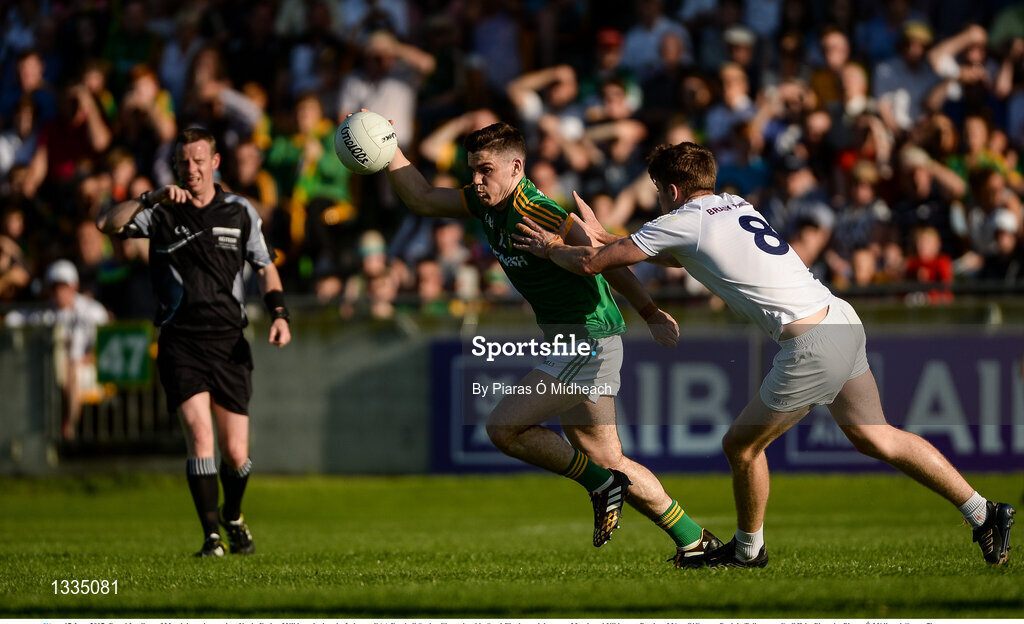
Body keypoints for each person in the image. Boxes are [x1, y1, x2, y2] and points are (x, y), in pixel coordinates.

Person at [512, 141, 1016, 568]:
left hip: (810, 344)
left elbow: (597, 263)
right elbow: (650, 249)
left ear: (671, 191)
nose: (660, 203)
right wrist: (606, 236)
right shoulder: (736, 204)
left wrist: (551, 248)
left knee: (741, 447)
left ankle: (749, 551)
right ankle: (983, 511)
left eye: (658, 193)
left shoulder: (683, 219)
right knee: (878, 437)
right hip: (839, 317)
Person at [381, 119, 720, 565]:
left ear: (516, 166)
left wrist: (650, 311)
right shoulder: (486, 203)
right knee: (608, 456)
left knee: (504, 428)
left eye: (485, 170)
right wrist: (388, 148)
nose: (477, 180)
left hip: (588, 340)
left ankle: (600, 484)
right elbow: (422, 198)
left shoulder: (537, 210)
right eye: (473, 171)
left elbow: (607, 260)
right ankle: (695, 541)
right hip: (572, 340)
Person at [95, 127, 292, 558]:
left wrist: (279, 315)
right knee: (200, 435)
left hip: (229, 343)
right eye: (184, 162)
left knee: (237, 454)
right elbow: (105, 223)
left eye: (199, 160)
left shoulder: (240, 211)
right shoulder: (162, 212)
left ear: (215, 162)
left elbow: (265, 266)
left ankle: (233, 517)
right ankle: (211, 539)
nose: (192, 169)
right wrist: (150, 197)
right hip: (181, 341)